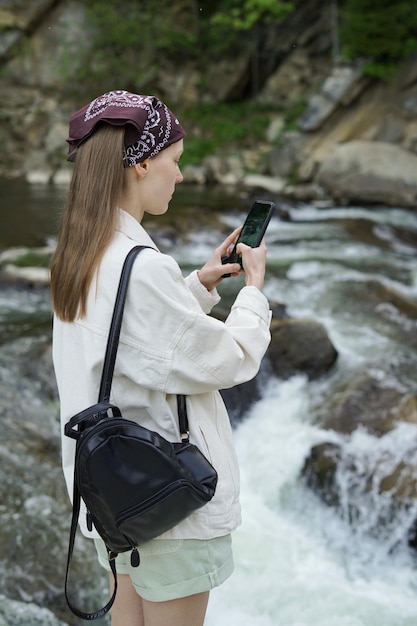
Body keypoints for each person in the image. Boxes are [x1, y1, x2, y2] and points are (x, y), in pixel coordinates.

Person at [50, 90, 271, 626]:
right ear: (141, 162)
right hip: (169, 502)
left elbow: (122, 342)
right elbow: (229, 358)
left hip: (115, 493)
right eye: (173, 162)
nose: (179, 176)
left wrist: (196, 285)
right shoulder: (141, 266)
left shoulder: (82, 250)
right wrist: (255, 290)